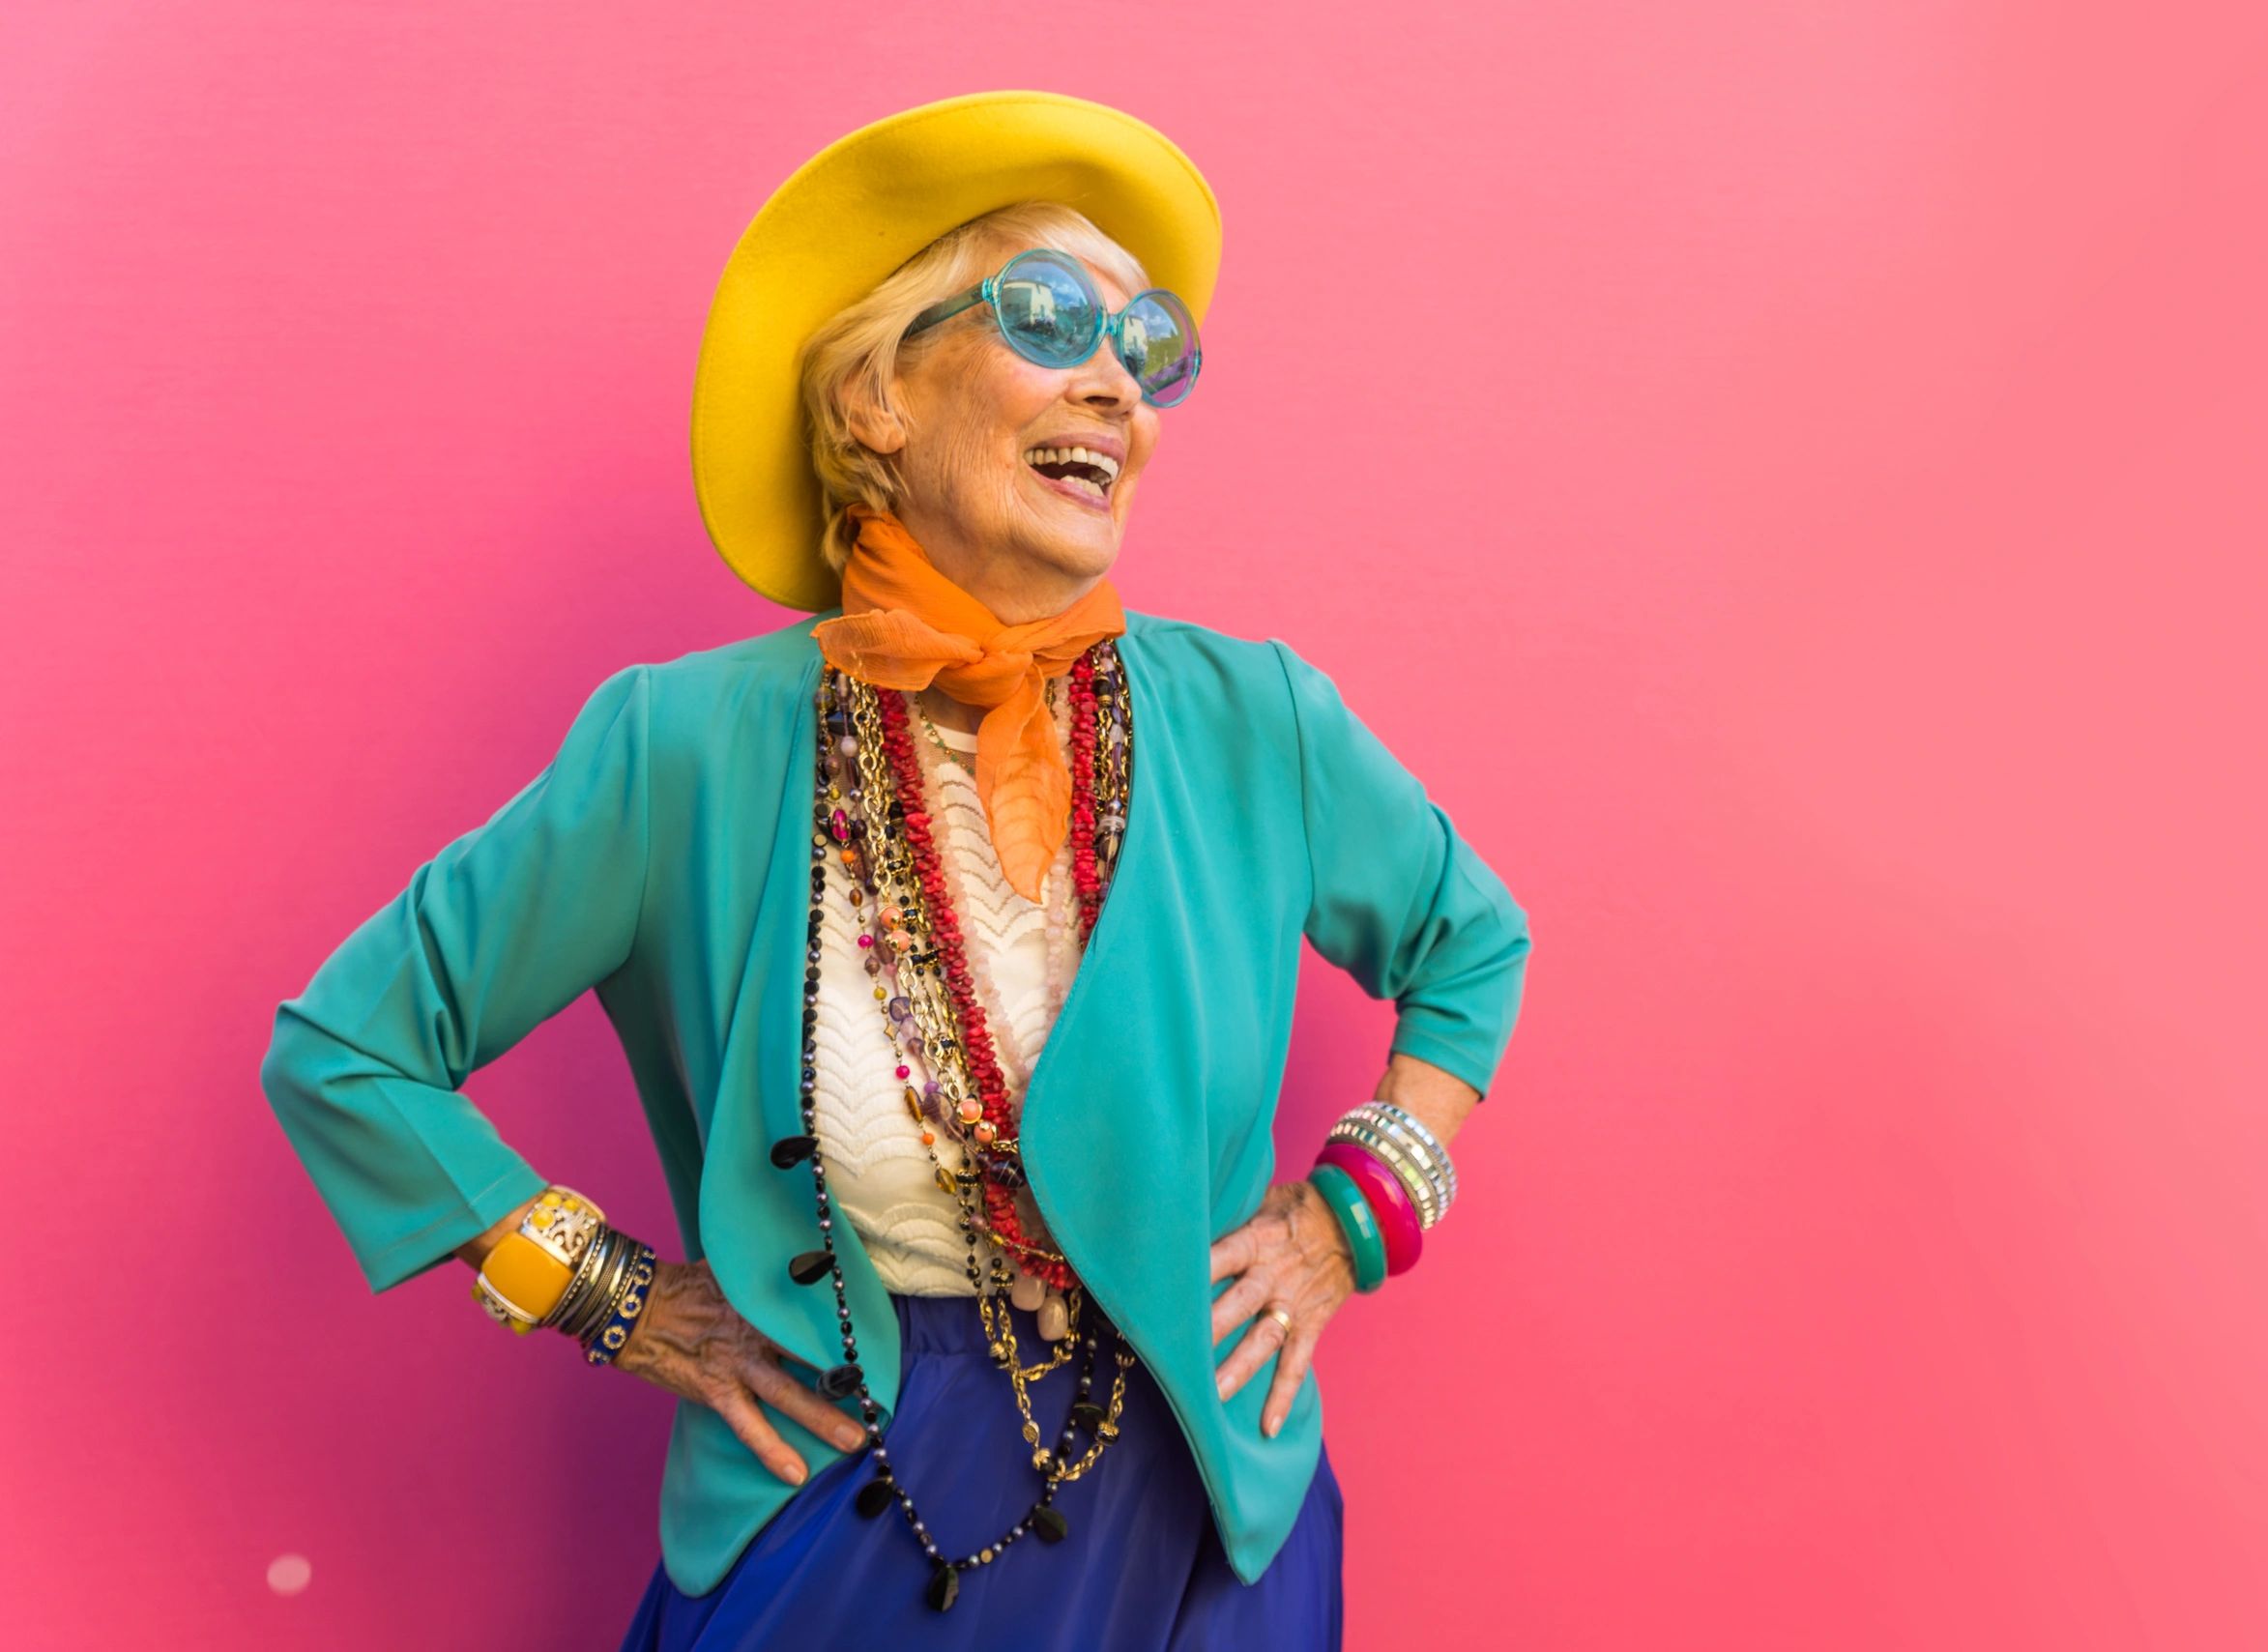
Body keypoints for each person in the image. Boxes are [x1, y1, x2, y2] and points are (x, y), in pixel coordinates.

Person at [260, 90, 1530, 1649]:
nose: (1117, 387)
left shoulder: (1251, 717)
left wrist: (1360, 1212)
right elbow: (350, 1045)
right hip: (854, 1507)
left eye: (1149, 348)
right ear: (877, 396)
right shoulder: (686, 748)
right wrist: (607, 1294)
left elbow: (1473, 941)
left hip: (1202, 1518)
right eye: (1054, 315)